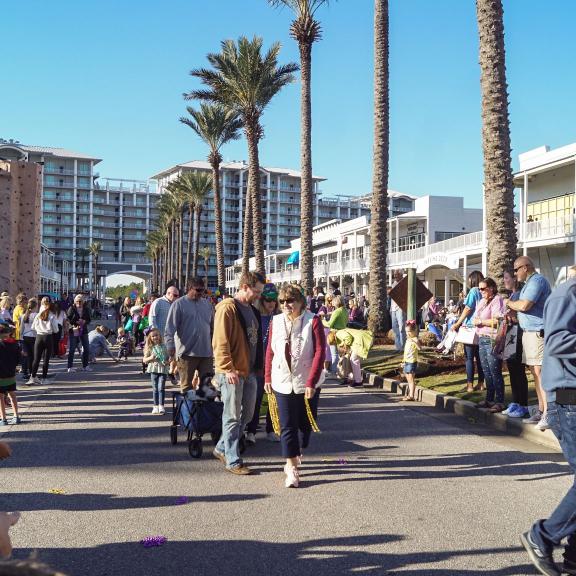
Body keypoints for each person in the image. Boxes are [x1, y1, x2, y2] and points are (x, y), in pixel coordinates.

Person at [521, 274, 576, 576]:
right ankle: (541, 536)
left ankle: (573, 556)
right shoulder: (567, 295)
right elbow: (558, 342)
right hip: (569, 401)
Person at [264, 284, 325, 488]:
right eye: (282, 301)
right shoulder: (276, 321)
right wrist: (267, 378)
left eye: (290, 300)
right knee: (287, 425)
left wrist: (311, 381)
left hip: (307, 380)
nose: (286, 305)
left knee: (306, 424)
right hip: (282, 379)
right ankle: (291, 468)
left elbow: (319, 352)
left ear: (300, 302)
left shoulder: (312, 321)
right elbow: (270, 352)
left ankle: (299, 447)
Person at [212, 271, 264, 475]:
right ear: (244, 287)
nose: (259, 295)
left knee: (249, 414)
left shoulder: (251, 309)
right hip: (232, 371)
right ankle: (233, 460)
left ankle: (221, 447)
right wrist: (227, 368)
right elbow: (220, 341)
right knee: (232, 415)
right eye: (256, 291)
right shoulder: (227, 308)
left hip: (249, 371)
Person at [505, 256, 552, 430]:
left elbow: (524, 305)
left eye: (516, 270)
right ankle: (541, 410)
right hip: (528, 333)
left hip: (537, 333)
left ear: (526, 267)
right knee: (534, 372)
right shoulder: (528, 283)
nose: (515, 273)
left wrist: (509, 302)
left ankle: (548, 413)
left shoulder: (537, 281)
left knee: (540, 372)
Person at [164, 277, 213, 394]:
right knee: (187, 388)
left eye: (203, 290)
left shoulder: (207, 305)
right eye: (198, 290)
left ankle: (203, 412)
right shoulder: (178, 304)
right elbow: (169, 328)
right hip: (186, 354)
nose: (201, 293)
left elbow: (213, 327)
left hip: (206, 353)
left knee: (207, 387)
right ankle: (187, 412)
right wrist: (170, 346)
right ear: (190, 289)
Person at [246, 283, 280, 445]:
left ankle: (271, 429)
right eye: (267, 299)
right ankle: (251, 430)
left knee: (273, 397)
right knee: (256, 397)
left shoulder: (280, 317)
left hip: (276, 363)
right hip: (258, 362)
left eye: (274, 300)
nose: (271, 303)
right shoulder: (255, 316)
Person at [472, 277, 506, 412]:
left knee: (495, 371)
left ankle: (500, 401)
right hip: (481, 338)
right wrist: (478, 320)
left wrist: (481, 321)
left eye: (483, 288)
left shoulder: (497, 300)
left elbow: (498, 320)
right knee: (486, 370)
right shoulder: (482, 301)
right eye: (479, 289)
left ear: (491, 288)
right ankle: (489, 398)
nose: (481, 291)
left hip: (492, 339)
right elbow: (475, 318)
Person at [501, 269, 529, 419]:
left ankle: (523, 404)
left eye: (506, 278)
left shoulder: (519, 295)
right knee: (512, 369)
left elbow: (521, 316)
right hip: (511, 334)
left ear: (514, 279)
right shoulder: (512, 295)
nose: (504, 280)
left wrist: (512, 317)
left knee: (518, 370)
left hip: (518, 335)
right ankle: (516, 402)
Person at [451, 270, 486, 393]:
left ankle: (469, 385)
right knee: (480, 358)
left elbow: (467, 308)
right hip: (481, 327)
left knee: (469, 358)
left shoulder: (473, 291)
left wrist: (458, 323)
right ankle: (481, 383)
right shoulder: (484, 292)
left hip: (470, 328)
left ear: (472, 280)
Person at [29, 297, 58, 385]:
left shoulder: (38, 315)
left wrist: (39, 329)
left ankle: (33, 377)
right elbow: (56, 329)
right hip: (48, 337)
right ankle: (44, 378)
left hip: (39, 337)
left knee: (36, 359)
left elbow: (32, 327)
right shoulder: (52, 315)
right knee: (46, 360)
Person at [143, 328, 170, 415]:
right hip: (153, 369)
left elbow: (169, 357)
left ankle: (161, 406)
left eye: (156, 335)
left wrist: (167, 361)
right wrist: (151, 358)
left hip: (163, 369)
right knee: (155, 388)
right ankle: (155, 406)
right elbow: (144, 360)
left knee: (161, 388)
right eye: (153, 336)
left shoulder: (164, 346)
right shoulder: (149, 348)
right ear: (150, 338)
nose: (155, 337)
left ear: (160, 336)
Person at [0, 322, 21, 425]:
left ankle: (3, 419)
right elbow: (18, 360)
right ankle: (16, 416)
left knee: (1, 397)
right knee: (12, 395)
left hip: (0, 375)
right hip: (11, 374)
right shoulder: (15, 344)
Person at [322, 295, 348, 373]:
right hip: (343, 333)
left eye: (333, 301)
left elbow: (329, 324)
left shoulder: (337, 311)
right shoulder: (345, 311)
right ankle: (339, 371)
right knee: (341, 354)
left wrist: (322, 321)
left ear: (336, 302)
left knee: (334, 354)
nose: (332, 302)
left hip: (334, 334)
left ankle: (333, 371)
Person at [66, 294, 91, 373]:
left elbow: (89, 319)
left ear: (83, 302)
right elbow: (68, 319)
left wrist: (84, 321)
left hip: (84, 330)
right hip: (74, 330)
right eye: (77, 301)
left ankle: (85, 366)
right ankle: (70, 367)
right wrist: (75, 322)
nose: (79, 303)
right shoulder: (71, 308)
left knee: (86, 348)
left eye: (80, 301)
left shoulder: (86, 309)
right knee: (72, 349)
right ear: (74, 302)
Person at [20, 298, 38, 382]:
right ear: (35, 307)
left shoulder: (24, 315)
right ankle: (32, 373)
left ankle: (26, 373)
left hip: (25, 336)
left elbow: (21, 328)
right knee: (34, 356)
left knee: (27, 356)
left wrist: (21, 337)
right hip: (33, 337)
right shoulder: (36, 315)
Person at [403, 320, 420, 401]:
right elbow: (406, 352)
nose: (408, 333)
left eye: (409, 331)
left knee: (411, 378)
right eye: (406, 331)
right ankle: (410, 393)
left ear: (414, 331)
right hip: (406, 361)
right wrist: (403, 361)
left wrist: (414, 342)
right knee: (408, 378)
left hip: (412, 361)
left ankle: (411, 395)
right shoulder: (407, 339)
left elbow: (420, 348)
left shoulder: (415, 339)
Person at [389, 270, 406, 352]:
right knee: (395, 328)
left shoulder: (404, 283)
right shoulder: (393, 283)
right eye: (394, 275)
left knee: (402, 328)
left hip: (400, 308)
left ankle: (403, 347)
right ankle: (398, 347)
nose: (395, 276)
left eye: (396, 274)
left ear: (401, 275)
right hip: (393, 309)